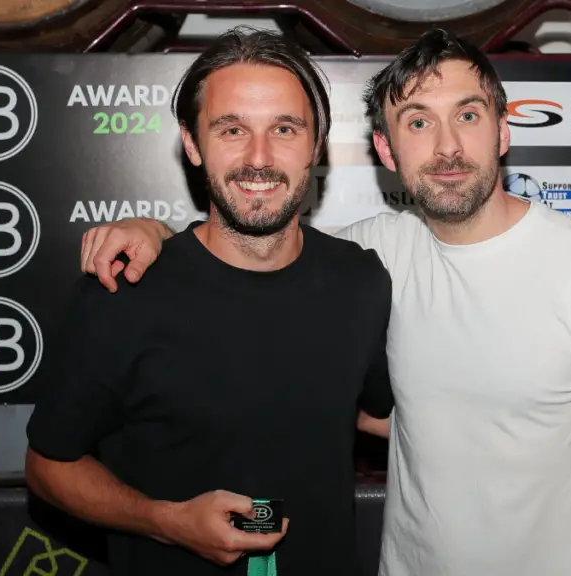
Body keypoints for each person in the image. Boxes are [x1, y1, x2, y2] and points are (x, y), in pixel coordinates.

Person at [78, 29, 571, 576]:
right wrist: (154, 231)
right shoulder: (370, 255)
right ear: (386, 150)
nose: (448, 146)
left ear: (503, 131)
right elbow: (251, 237)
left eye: (468, 114)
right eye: (418, 122)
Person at [24, 27, 395, 576]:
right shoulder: (123, 291)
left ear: (316, 145)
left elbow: (375, 414)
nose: (259, 157)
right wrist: (164, 520)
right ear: (193, 144)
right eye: (232, 129)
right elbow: (48, 465)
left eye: (285, 129)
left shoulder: (360, 280)